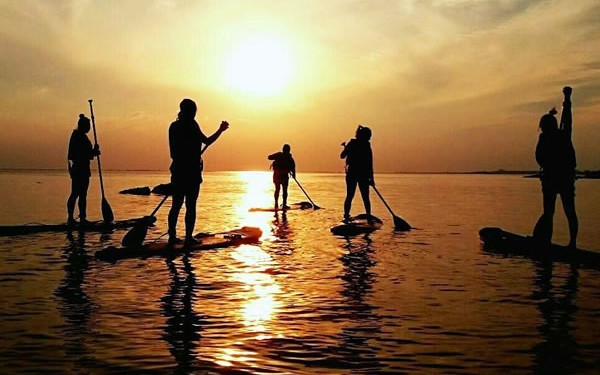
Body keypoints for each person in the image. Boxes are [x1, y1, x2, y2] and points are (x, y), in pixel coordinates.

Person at [168, 98, 229, 246]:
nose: (194, 114)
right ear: (188, 111)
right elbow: (207, 141)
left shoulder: (175, 126)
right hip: (189, 172)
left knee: (177, 204)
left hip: (179, 170)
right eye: (193, 111)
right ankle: (187, 238)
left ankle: (173, 237)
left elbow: (174, 153)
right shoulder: (189, 126)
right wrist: (220, 130)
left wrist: (220, 131)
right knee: (189, 205)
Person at [533, 86, 578, 248]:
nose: (544, 129)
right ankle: (547, 242)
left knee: (568, 211)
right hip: (551, 179)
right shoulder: (544, 138)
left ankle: (572, 243)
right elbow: (539, 157)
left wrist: (567, 100)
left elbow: (567, 119)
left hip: (562, 178)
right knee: (550, 212)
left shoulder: (563, 135)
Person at [66, 114, 100, 225]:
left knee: (80, 194)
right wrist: (94, 152)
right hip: (80, 169)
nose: (90, 127)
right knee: (77, 193)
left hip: (81, 169)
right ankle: (73, 218)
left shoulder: (78, 136)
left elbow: (86, 154)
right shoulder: (79, 137)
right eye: (88, 125)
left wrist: (93, 152)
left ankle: (80, 218)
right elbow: (84, 154)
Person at [340, 125, 374, 222]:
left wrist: (371, 178)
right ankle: (346, 216)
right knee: (351, 195)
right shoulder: (353, 144)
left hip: (361, 174)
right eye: (369, 136)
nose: (370, 138)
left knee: (365, 196)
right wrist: (346, 149)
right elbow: (342, 156)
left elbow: (369, 162)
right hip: (354, 174)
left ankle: (368, 215)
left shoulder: (365, 145)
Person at [268, 144, 296, 210]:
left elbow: (293, 167)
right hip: (281, 176)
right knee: (282, 190)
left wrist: (294, 175)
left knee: (279, 189)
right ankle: (281, 204)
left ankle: (278, 204)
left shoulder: (282, 156)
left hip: (278, 175)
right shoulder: (288, 158)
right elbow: (269, 157)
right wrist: (294, 175)